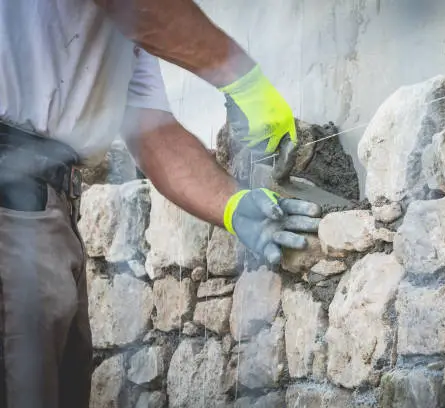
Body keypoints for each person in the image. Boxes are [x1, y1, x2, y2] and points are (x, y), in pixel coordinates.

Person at [0, 0, 321, 406]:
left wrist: (233, 205)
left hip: (47, 210)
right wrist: (242, 78)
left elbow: (153, 131)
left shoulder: (124, 41)